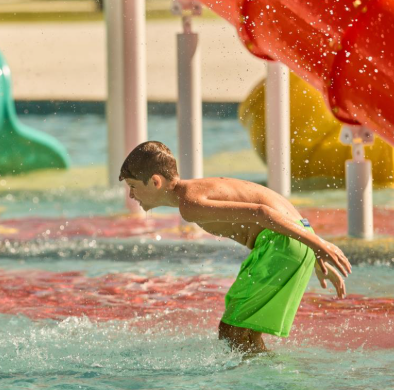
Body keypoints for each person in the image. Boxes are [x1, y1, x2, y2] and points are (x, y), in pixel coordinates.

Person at [119, 141, 351, 354]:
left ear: (155, 181)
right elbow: (279, 205)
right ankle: (267, 384)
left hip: (283, 242)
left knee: (231, 332)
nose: (131, 194)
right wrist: (310, 249)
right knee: (245, 334)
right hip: (296, 235)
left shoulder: (189, 203)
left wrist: (317, 245)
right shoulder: (199, 189)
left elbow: (261, 212)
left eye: (133, 186)